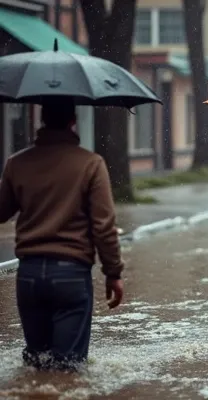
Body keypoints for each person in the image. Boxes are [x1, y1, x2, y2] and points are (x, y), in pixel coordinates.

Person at [0, 102, 124, 371]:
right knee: (68, 369)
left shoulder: (16, 163)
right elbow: (103, 226)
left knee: (37, 362)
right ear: (72, 122)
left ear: (41, 121)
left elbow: (1, 212)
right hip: (71, 275)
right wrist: (113, 273)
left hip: (29, 276)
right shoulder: (90, 164)